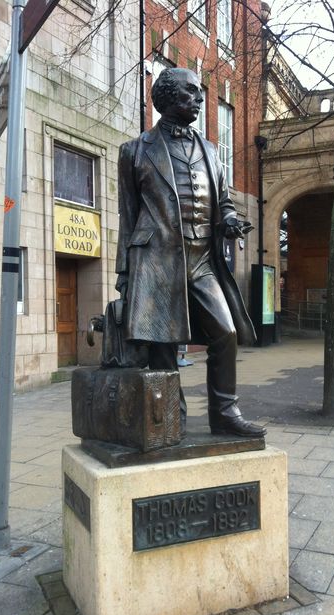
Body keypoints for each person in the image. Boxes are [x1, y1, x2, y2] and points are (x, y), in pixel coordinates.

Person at [115, 68, 265, 439]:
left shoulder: (211, 152)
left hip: (201, 258)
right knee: (163, 345)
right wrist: (124, 274)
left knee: (225, 332)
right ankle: (170, 419)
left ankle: (224, 412)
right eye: (192, 92)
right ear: (167, 97)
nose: (200, 100)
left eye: (200, 93)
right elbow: (127, 217)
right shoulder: (134, 151)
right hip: (157, 258)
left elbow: (224, 202)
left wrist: (229, 220)